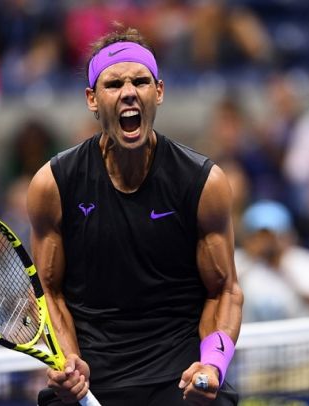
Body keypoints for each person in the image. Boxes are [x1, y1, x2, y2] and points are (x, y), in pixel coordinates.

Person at [26, 27, 243, 405]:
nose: (129, 91)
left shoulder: (203, 183)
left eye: (140, 81)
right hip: (92, 373)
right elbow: (49, 291)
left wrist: (212, 365)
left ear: (157, 92)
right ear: (92, 99)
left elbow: (223, 290)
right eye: (114, 84)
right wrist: (70, 362)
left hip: (180, 375)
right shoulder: (53, 185)